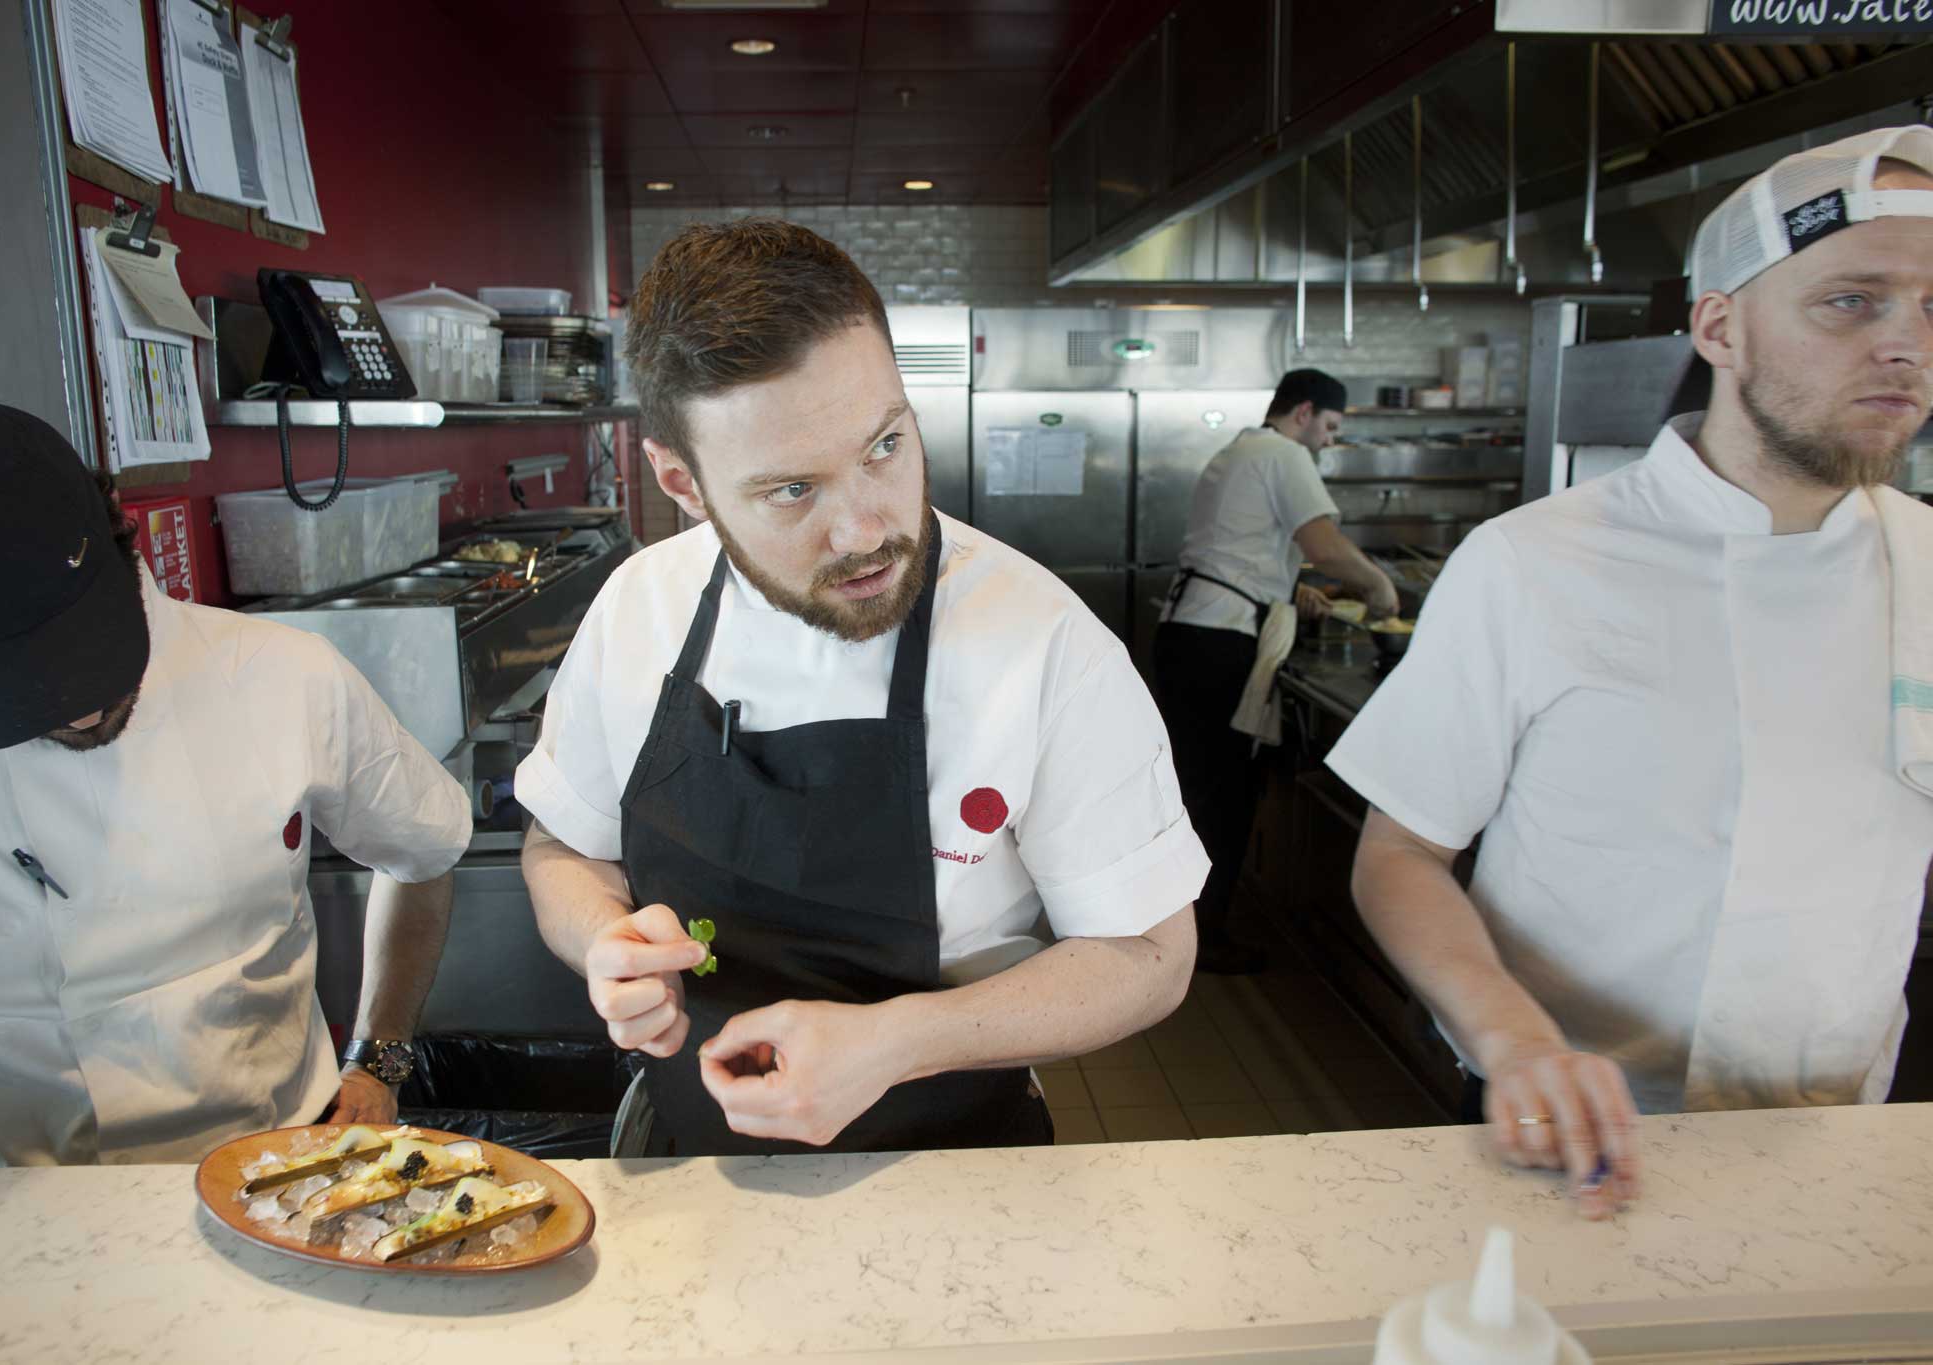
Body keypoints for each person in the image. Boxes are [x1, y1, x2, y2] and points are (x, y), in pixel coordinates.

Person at [1329, 126, 1933, 1220]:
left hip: (1840, 1139)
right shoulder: (1534, 562)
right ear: (1719, 326)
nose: (1904, 347)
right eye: (1850, 302)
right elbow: (1401, 854)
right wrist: (1512, 1044)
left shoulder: (1929, 568)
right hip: (1564, 1135)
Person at [517, 220, 1204, 1156]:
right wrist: (604, 938)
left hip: (961, 1177)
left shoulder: (1045, 643)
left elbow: (1152, 956)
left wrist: (896, 1042)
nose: (865, 530)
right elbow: (563, 843)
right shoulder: (640, 607)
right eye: (792, 491)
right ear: (684, 481)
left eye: (885, 445)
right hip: (688, 1171)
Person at [0, 400, 470, 1168]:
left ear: (117, 533)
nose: (84, 706)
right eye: (13, 692)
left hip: (274, 1171)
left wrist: (380, 1059)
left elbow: (421, 854)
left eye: (84, 647)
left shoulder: (281, 675)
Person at [1151, 370, 1399, 974]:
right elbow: (1324, 544)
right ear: (1306, 412)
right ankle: (1199, 940)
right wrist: (1379, 587)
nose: (1328, 442)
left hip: (1190, 633)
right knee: (1224, 798)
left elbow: (1243, 553)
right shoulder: (1282, 453)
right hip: (1220, 644)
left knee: (1195, 792)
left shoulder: (1240, 450)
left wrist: (1292, 592)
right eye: (1331, 427)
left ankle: (1173, 929)